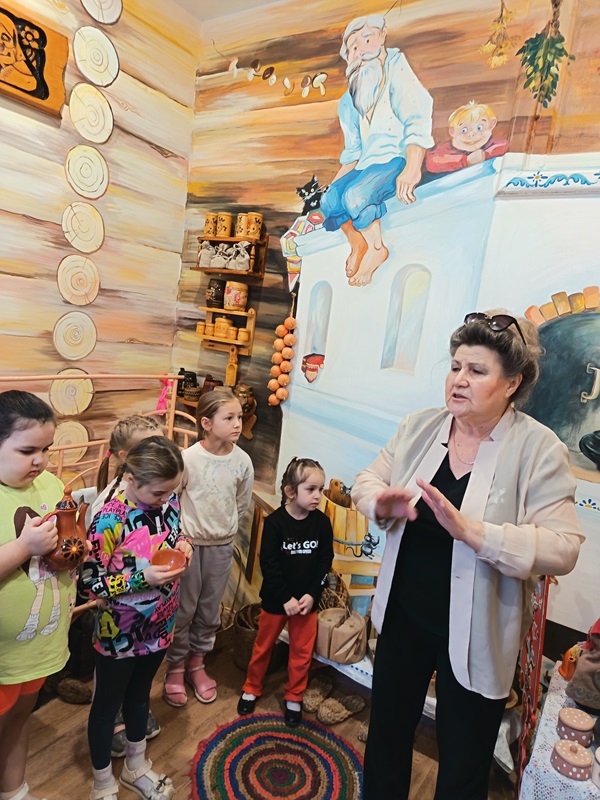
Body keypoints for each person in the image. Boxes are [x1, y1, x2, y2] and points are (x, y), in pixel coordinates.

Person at [351, 310, 584, 800]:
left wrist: (476, 534)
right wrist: (378, 502)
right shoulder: (419, 427)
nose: (458, 379)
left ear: (512, 383)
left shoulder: (539, 449)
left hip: (480, 633)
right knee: (387, 737)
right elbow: (368, 479)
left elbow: (563, 546)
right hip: (404, 617)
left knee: (464, 761)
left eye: (476, 371)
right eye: (456, 366)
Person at [81, 436, 193, 800]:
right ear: (131, 478)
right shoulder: (108, 519)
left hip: (161, 621)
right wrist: (140, 578)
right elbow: (89, 582)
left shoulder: (169, 499)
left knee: (141, 696)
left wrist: (184, 543)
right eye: (158, 493)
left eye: (171, 492)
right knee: (106, 706)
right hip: (119, 630)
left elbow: (176, 530)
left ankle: (136, 765)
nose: (166, 499)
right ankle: (102, 782)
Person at [320, 14, 434, 287]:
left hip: (395, 159)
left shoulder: (396, 68)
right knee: (330, 200)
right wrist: (333, 187)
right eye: (353, 47)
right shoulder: (348, 100)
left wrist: (412, 167)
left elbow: (417, 117)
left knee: (356, 195)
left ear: (382, 38)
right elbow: (353, 152)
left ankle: (376, 248)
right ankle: (357, 243)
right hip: (365, 165)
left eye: (367, 39)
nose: (361, 50)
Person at [163, 387, 254, 707]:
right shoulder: (188, 459)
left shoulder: (242, 461)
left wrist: (224, 529)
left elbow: (241, 502)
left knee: (209, 609)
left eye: (239, 417)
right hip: (188, 547)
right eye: (229, 418)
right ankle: (175, 666)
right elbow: (172, 500)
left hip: (221, 546)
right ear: (206, 423)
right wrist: (180, 538)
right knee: (183, 609)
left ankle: (197, 663)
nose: (237, 423)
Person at [0, 390, 70, 800]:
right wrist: (24, 547)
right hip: (3, 655)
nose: (41, 460)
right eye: (28, 450)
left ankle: (14, 790)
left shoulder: (51, 484)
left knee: (21, 717)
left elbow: (64, 541)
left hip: (39, 645)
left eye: (47, 449)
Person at [237, 457, 334, 727]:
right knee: (263, 647)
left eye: (321, 489)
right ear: (291, 491)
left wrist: (312, 594)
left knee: (301, 653)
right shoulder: (275, 523)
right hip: (276, 600)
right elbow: (269, 565)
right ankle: (252, 687)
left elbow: (325, 561)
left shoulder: (322, 524)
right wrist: (285, 599)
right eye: (310, 489)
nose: (317, 496)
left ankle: (294, 695)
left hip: (306, 603)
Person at [93, 414, 164, 757]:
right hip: (118, 614)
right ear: (125, 458)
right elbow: (95, 575)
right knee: (111, 677)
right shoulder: (108, 510)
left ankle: (132, 706)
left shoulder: (161, 497)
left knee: (137, 677)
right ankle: (113, 714)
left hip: (151, 616)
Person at [425, 100, 509, 174]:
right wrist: (465, 160)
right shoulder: (444, 149)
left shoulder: (492, 143)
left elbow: (503, 145)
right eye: (464, 130)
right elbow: (432, 162)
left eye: (479, 128)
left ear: (491, 124)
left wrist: (484, 155)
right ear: (453, 132)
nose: (471, 135)